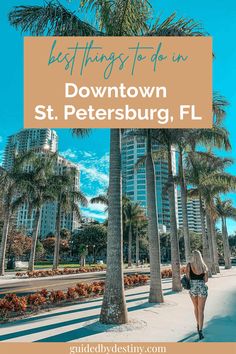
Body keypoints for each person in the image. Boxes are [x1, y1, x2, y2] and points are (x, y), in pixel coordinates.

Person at [186, 250, 208, 340]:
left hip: (193, 288)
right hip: (202, 288)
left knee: (196, 307)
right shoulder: (204, 266)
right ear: (200, 256)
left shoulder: (189, 265)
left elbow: (188, 277)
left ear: (193, 256)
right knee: (201, 310)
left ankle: (198, 324)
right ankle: (200, 330)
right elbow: (206, 280)